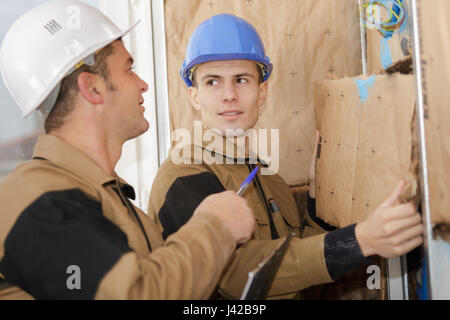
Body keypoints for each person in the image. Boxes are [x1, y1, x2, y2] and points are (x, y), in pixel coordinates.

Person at [148, 14, 424, 299]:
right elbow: (235, 275)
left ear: (262, 91)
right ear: (194, 97)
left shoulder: (269, 178)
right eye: (213, 82)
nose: (229, 95)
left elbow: (295, 264)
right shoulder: (183, 177)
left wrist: (318, 202)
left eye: (241, 80)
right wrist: (359, 241)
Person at [0, 1, 255, 300]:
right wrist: (216, 225)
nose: (144, 84)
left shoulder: (120, 208)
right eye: (129, 69)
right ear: (92, 88)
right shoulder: (37, 197)